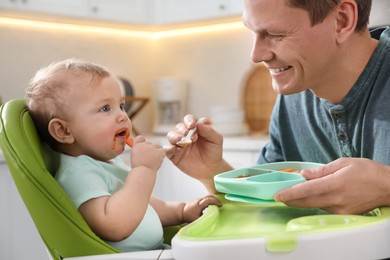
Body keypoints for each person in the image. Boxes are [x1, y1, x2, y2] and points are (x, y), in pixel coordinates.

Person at [164, 0, 390, 215]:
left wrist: (385, 185)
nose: (256, 55)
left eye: (275, 34)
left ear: (342, 20)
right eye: (253, 32)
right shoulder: (294, 93)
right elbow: (267, 205)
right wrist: (212, 171)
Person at [25, 58, 221, 252]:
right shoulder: (79, 173)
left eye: (121, 106)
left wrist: (182, 211)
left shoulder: (106, 164)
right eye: (105, 108)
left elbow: (143, 206)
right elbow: (114, 225)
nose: (122, 116)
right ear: (63, 131)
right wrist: (144, 170)